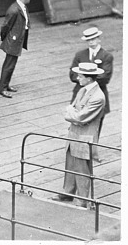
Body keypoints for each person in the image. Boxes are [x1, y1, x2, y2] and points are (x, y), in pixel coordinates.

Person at [51, 63, 106, 209]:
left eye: (80, 76)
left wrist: (70, 112)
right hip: (74, 135)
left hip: (84, 138)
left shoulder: (98, 97)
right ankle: (67, 192)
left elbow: (80, 117)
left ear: (89, 78)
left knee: (82, 169)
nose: (77, 78)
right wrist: (73, 113)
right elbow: (75, 112)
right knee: (70, 165)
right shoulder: (82, 90)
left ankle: (82, 200)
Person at [69, 27, 113, 160]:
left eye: (93, 39)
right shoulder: (80, 55)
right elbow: (72, 75)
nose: (91, 42)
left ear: (99, 39)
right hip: (80, 95)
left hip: (97, 94)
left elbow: (105, 77)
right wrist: (91, 77)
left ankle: (92, 151)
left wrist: (85, 77)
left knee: (96, 125)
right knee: (77, 120)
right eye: (88, 40)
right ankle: (76, 148)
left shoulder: (106, 56)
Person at [0, 0, 34, 98]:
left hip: (17, 39)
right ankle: (2, 88)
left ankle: (6, 84)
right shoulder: (14, 9)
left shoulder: (21, 6)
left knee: (11, 64)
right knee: (9, 64)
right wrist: (4, 38)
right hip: (13, 40)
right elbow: (6, 26)